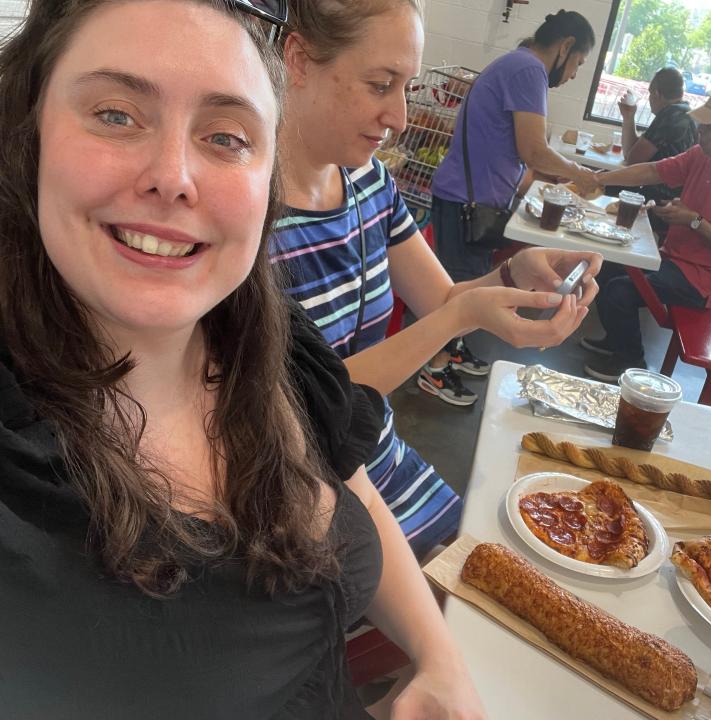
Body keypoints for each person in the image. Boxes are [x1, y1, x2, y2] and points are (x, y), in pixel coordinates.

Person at [0, 2, 484, 718]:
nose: (174, 177)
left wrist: (440, 659)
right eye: (115, 115)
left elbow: (355, 488)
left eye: (226, 136)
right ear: (31, 133)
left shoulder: (268, 336)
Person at [270, 0, 601, 566]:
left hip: (379, 458)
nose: (399, 116)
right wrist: (460, 318)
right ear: (299, 60)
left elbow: (442, 299)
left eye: (406, 86)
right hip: (298, 495)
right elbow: (308, 409)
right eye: (380, 84)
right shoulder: (248, 219)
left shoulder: (368, 181)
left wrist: (512, 274)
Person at [429, 9, 598, 395]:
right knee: (460, 288)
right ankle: (435, 367)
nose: (573, 74)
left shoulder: (518, 64)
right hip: (464, 201)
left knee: (469, 285)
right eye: (578, 64)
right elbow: (534, 150)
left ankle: (453, 349)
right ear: (566, 46)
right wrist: (580, 174)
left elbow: (515, 151)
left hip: (470, 199)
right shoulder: (529, 71)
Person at [580, 86, 711, 381]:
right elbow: (653, 171)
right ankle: (617, 341)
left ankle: (632, 364)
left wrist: (693, 220)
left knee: (621, 291)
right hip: (672, 259)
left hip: (705, 280)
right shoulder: (704, 155)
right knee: (603, 267)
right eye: (702, 126)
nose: (701, 134)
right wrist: (597, 178)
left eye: (710, 128)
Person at [609, 67, 699, 240]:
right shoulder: (687, 113)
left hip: (657, 200)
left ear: (657, 93)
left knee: (599, 187)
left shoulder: (672, 115)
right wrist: (629, 117)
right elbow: (632, 153)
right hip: (672, 200)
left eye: (650, 94)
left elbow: (633, 160)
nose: (649, 100)